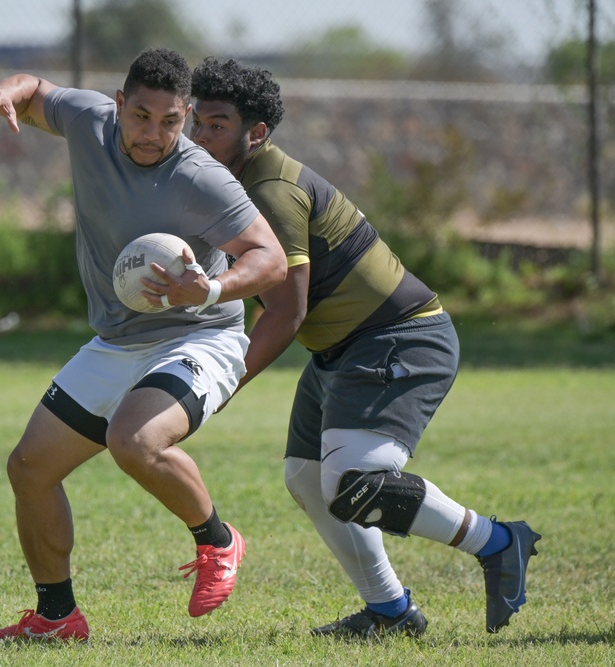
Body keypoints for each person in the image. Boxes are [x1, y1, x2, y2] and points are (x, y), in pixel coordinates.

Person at [190, 57, 540, 638]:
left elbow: (288, 310)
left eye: (217, 124)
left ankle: (500, 543)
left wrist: (220, 383)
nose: (201, 136)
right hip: (343, 351)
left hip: (399, 338)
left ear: (257, 134)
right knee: (307, 477)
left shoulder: (271, 191)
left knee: (357, 482)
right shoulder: (229, 182)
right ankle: (391, 610)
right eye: (197, 122)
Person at [0, 48, 287, 641]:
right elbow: (35, 88)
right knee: (30, 468)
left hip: (201, 334)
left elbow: (270, 260)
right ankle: (56, 618)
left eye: (170, 121)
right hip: (119, 339)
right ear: (118, 105)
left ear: (185, 116)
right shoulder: (88, 121)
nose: (153, 133)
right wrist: (8, 91)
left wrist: (209, 288)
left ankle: (218, 541)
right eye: (140, 116)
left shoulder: (199, 175)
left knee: (133, 440)